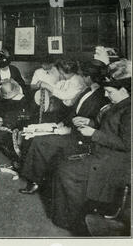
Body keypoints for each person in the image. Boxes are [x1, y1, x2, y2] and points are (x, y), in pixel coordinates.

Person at [51, 78, 130, 235]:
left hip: (118, 160)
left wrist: (94, 133)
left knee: (66, 171)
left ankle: (72, 220)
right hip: (105, 152)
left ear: (123, 90)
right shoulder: (120, 105)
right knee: (64, 160)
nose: (106, 95)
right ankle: (75, 214)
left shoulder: (129, 110)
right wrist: (90, 122)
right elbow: (109, 127)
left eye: (110, 92)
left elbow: (127, 144)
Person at [19, 60, 110, 195]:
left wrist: (84, 123)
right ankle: (36, 180)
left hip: (82, 137)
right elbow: (74, 110)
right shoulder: (88, 90)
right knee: (38, 136)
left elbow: (99, 123)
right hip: (71, 128)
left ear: (89, 78)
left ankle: (35, 181)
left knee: (41, 142)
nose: (81, 78)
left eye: (83, 76)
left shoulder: (101, 96)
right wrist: (63, 123)